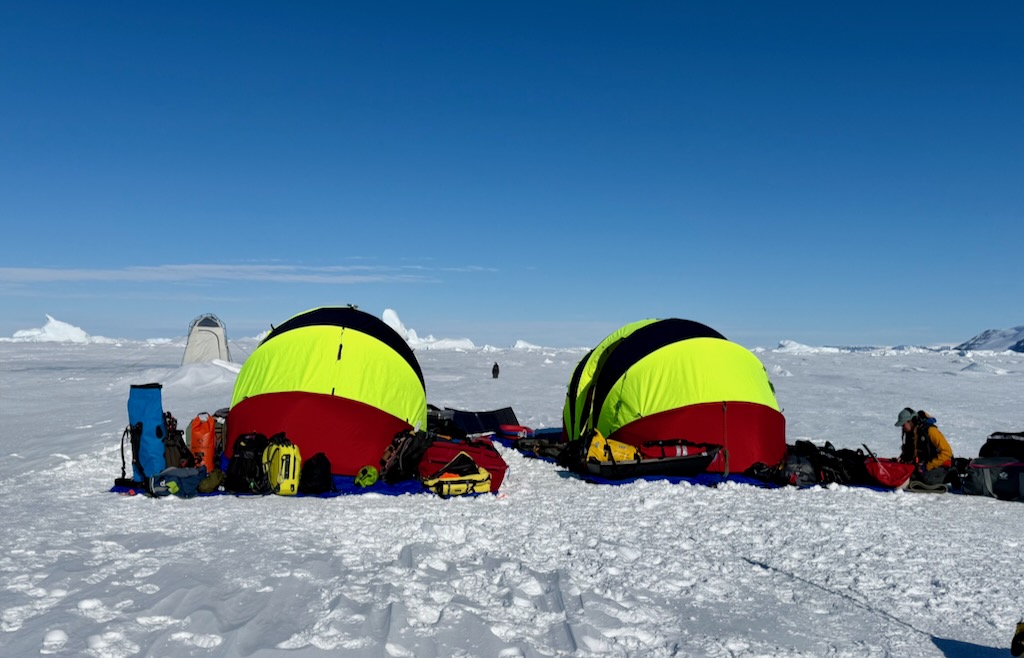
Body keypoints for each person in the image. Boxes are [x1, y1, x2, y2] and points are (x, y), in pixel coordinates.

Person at [896, 407, 953, 485]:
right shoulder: (911, 433)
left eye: (903, 424)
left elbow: (947, 452)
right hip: (924, 465)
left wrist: (927, 466)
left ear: (910, 421)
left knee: (926, 479)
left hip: (940, 465)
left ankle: (951, 474)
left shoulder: (930, 431)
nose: (902, 427)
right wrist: (903, 459)